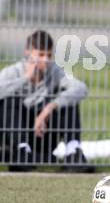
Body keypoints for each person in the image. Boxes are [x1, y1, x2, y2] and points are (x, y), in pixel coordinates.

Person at [0, 30, 93, 172]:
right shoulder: (13, 72)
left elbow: (81, 88)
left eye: (49, 55)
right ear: (28, 52)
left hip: (44, 134)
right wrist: (25, 79)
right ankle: (21, 151)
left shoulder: (54, 71)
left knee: (67, 99)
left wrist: (49, 108)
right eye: (40, 55)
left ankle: (73, 152)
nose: (45, 60)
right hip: (17, 134)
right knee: (10, 100)